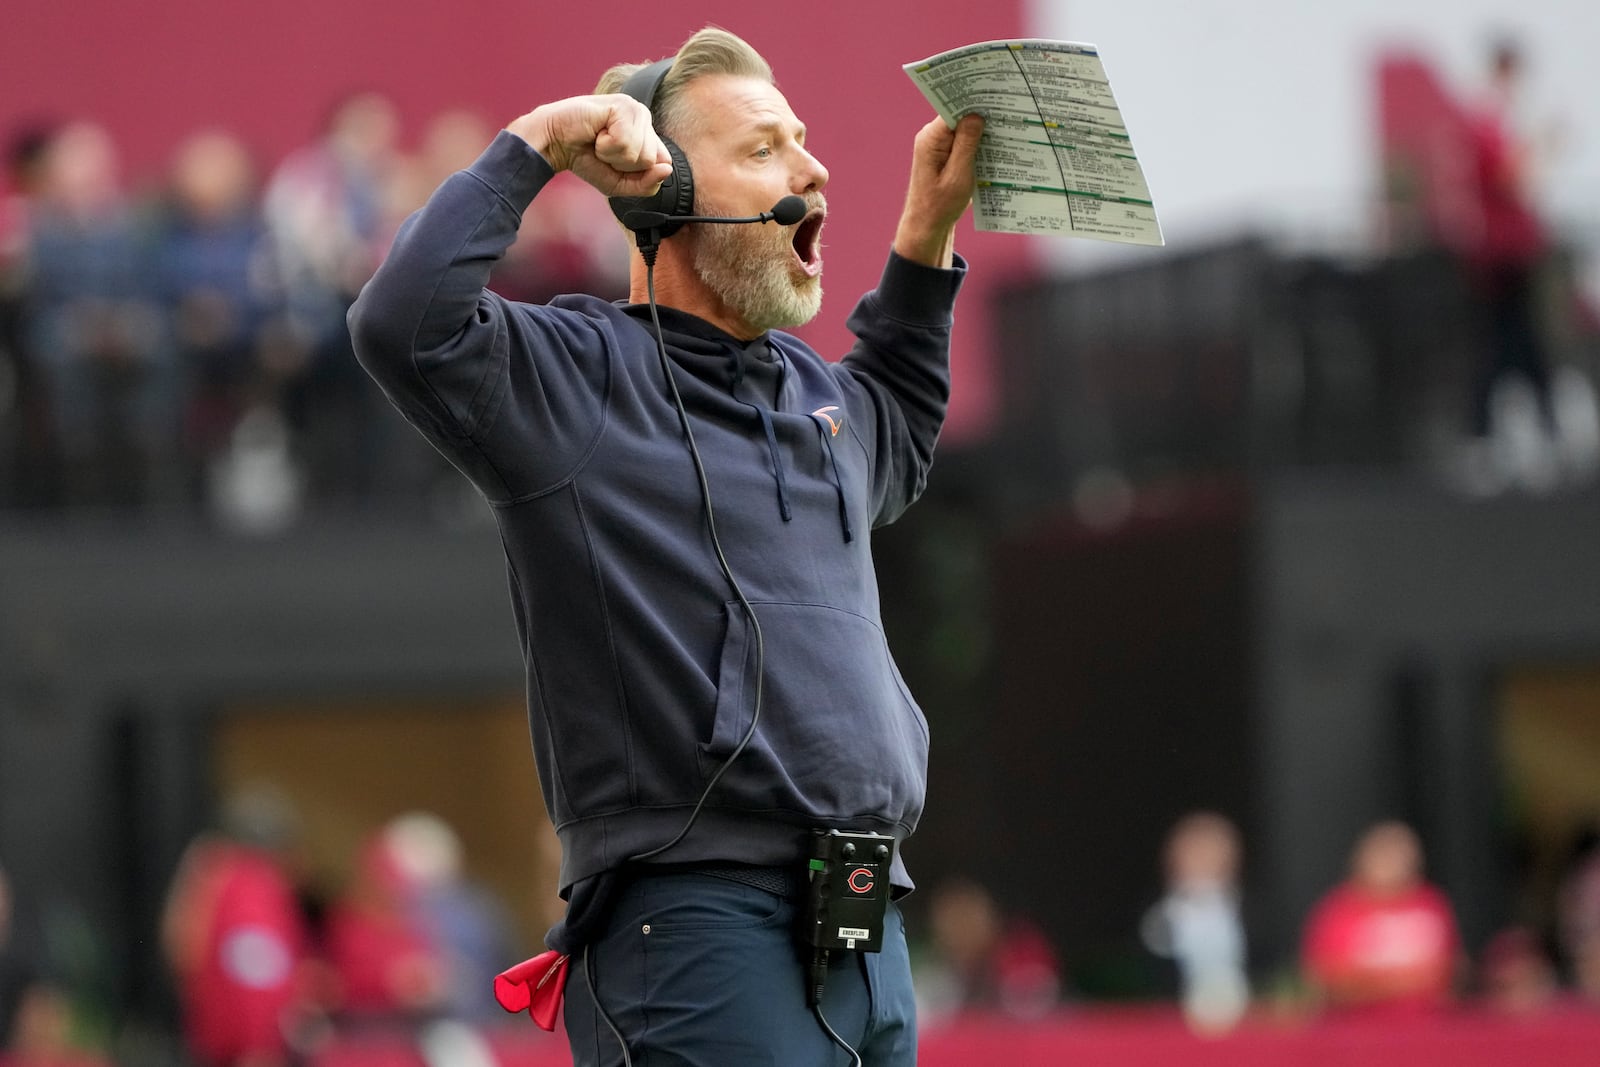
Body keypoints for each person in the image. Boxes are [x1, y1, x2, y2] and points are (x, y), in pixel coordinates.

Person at [348, 25, 982, 1067]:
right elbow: (401, 324)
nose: (813, 166)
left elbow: (900, 430)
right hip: (692, 924)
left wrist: (924, 232)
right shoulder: (575, 373)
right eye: (765, 147)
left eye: (803, 141)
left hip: (865, 918)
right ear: (664, 196)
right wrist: (538, 144)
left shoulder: (818, 395)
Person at [1301, 821, 1462, 1017]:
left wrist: (1377, 981)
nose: (1392, 861)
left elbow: (1451, 971)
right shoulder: (1338, 910)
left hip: (1427, 1030)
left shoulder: (1432, 904)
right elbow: (1327, 981)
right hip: (1359, 1036)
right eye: (1384, 853)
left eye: (1400, 854)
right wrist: (1407, 980)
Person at [1140, 811, 1250, 1033]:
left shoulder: (1255, 913)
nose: (1202, 860)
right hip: (1172, 1027)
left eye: (1210, 852)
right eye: (1194, 853)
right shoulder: (1158, 915)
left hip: (1246, 1026)